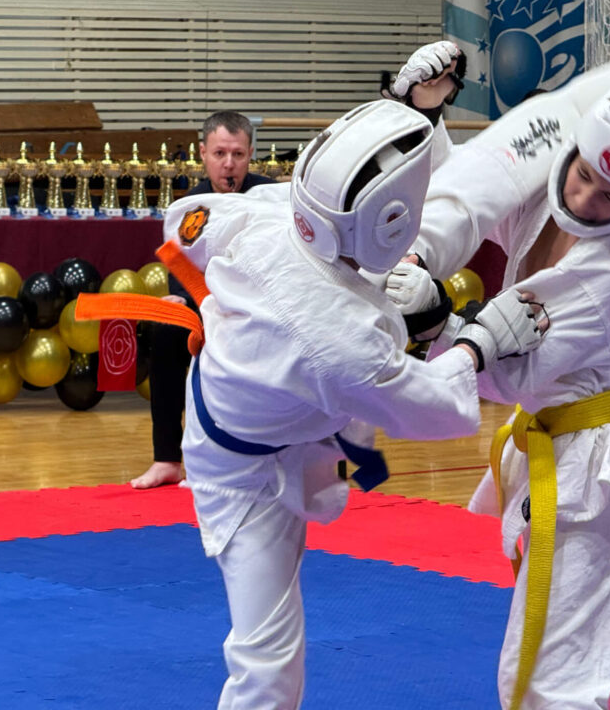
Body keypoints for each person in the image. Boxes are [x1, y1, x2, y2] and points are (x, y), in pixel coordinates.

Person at [161, 99, 545, 709]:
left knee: (281, 629)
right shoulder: (343, 343)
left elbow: (181, 226)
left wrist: (225, 312)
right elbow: (434, 406)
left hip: (285, 418)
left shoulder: (268, 211)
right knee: (268, 659)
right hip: (242, 470)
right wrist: (474, 341)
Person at [387, 52, 610, 708]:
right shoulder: (557, 174)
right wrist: (424, 116)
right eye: (584, 175)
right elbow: (474, 193)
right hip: (556, 446)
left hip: (591, 472)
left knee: (545, 680)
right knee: (584, 658)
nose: (584, 199)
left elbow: (506, 375)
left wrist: (436, 319)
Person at [132, 111, 276, 490]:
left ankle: (251, 461)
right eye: (220, 154)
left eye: (238, 154)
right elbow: (180, 270)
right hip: (208, 307)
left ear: (251, 154)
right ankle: (166, 459)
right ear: (202, 153)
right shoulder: (190, 207)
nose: (229, 164)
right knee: (166, 332)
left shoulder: (270, 199)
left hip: (262, 310)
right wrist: (178, 299)